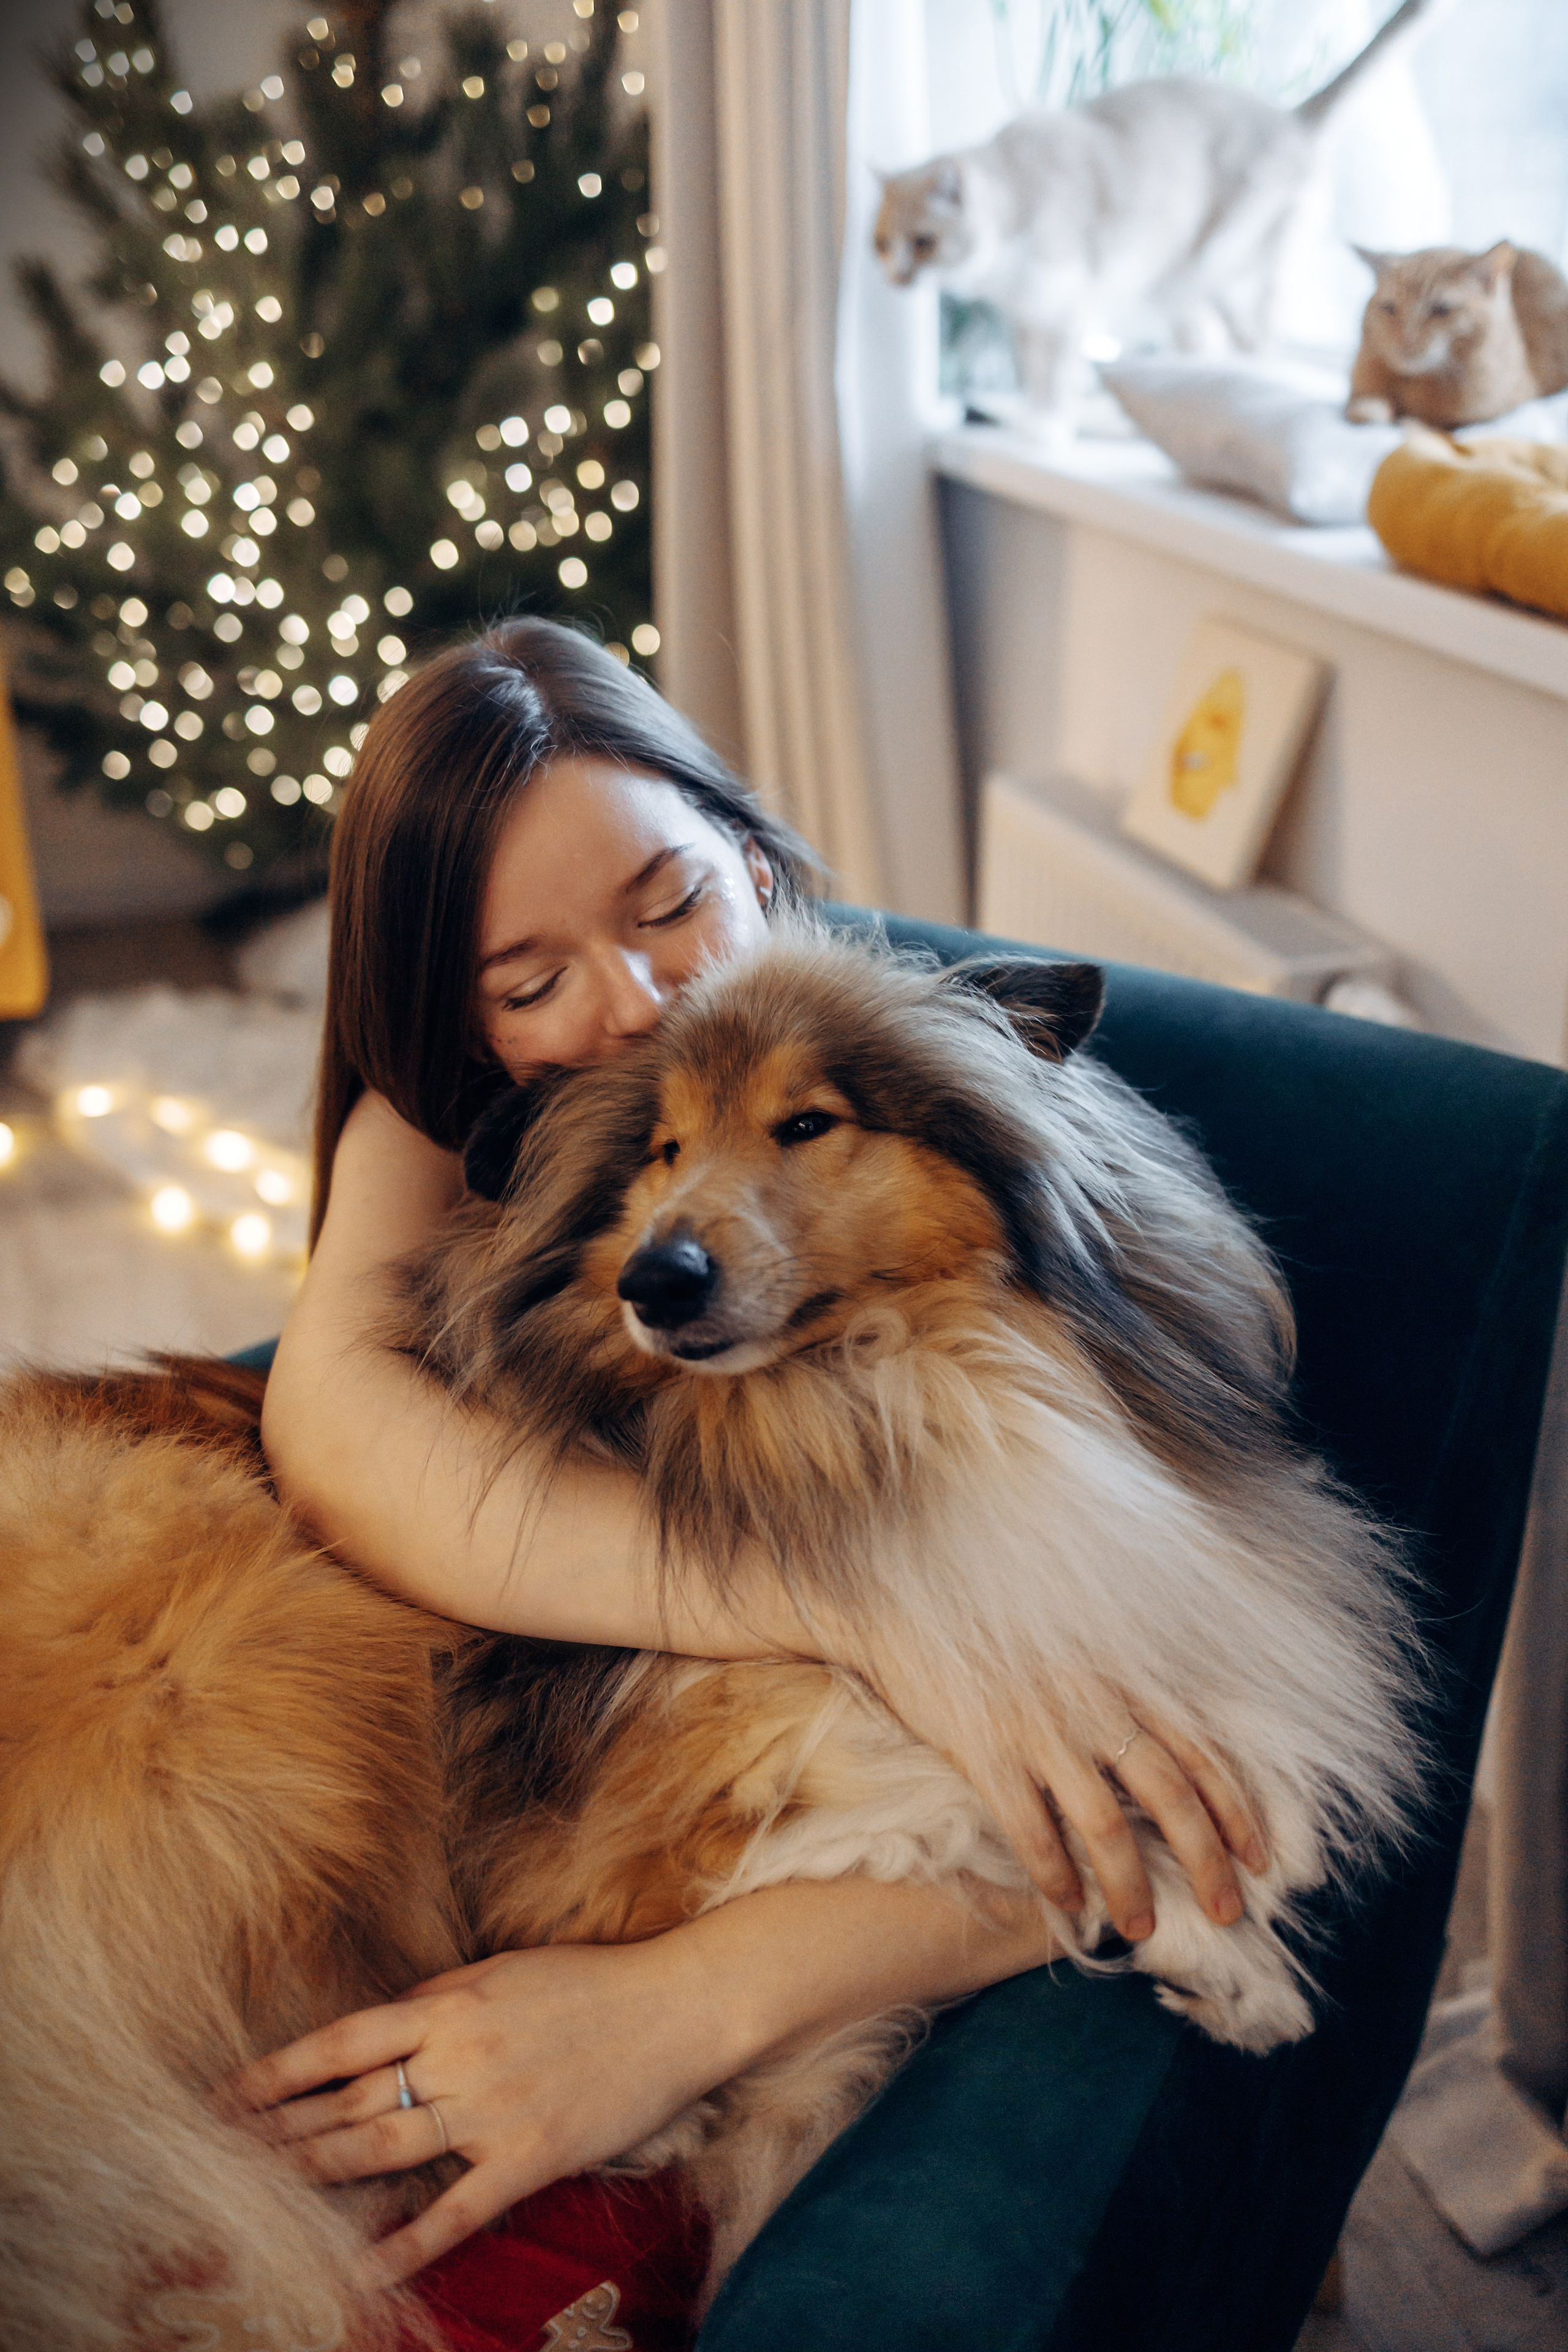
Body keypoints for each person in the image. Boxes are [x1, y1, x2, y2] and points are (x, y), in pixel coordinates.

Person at [246, 618, 1267, 2293]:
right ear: (447, 1028)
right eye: (529, 981)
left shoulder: (880, 1046)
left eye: (667, 905)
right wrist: (862, 1608)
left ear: (764, 857)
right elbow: (335, 1430)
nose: (643, 998)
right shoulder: (437, 1125)